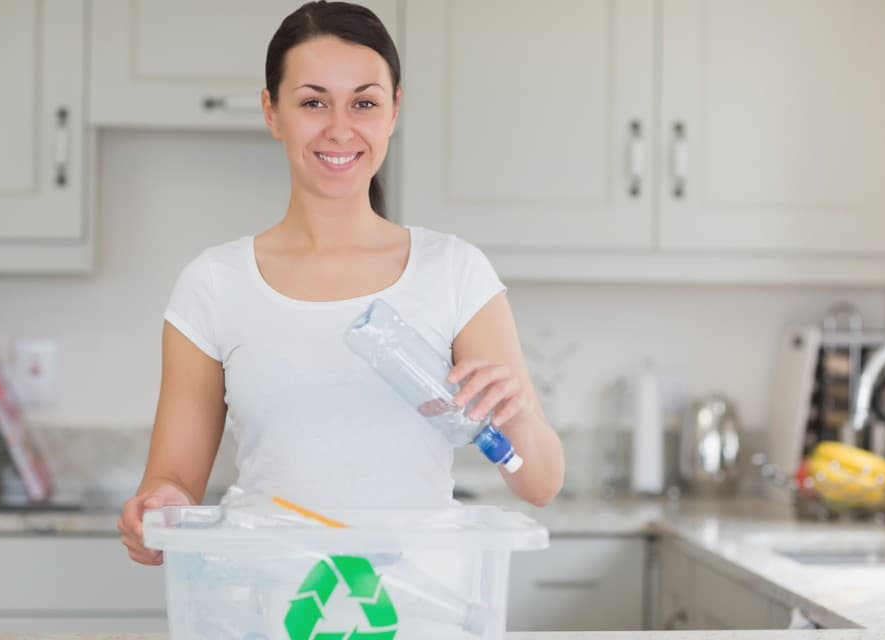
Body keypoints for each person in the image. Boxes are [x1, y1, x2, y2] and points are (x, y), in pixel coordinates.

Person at [118, 1, 565, 565]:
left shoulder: (455, 273)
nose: (339, 127)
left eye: (364, 103)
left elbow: (541, 484)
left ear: (394, 111)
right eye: (312, 102)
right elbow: (173, 480)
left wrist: (515, 410)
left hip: (418, 607)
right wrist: (158, 508)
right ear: (272, 111)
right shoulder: (213, 285)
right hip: (269, 603)